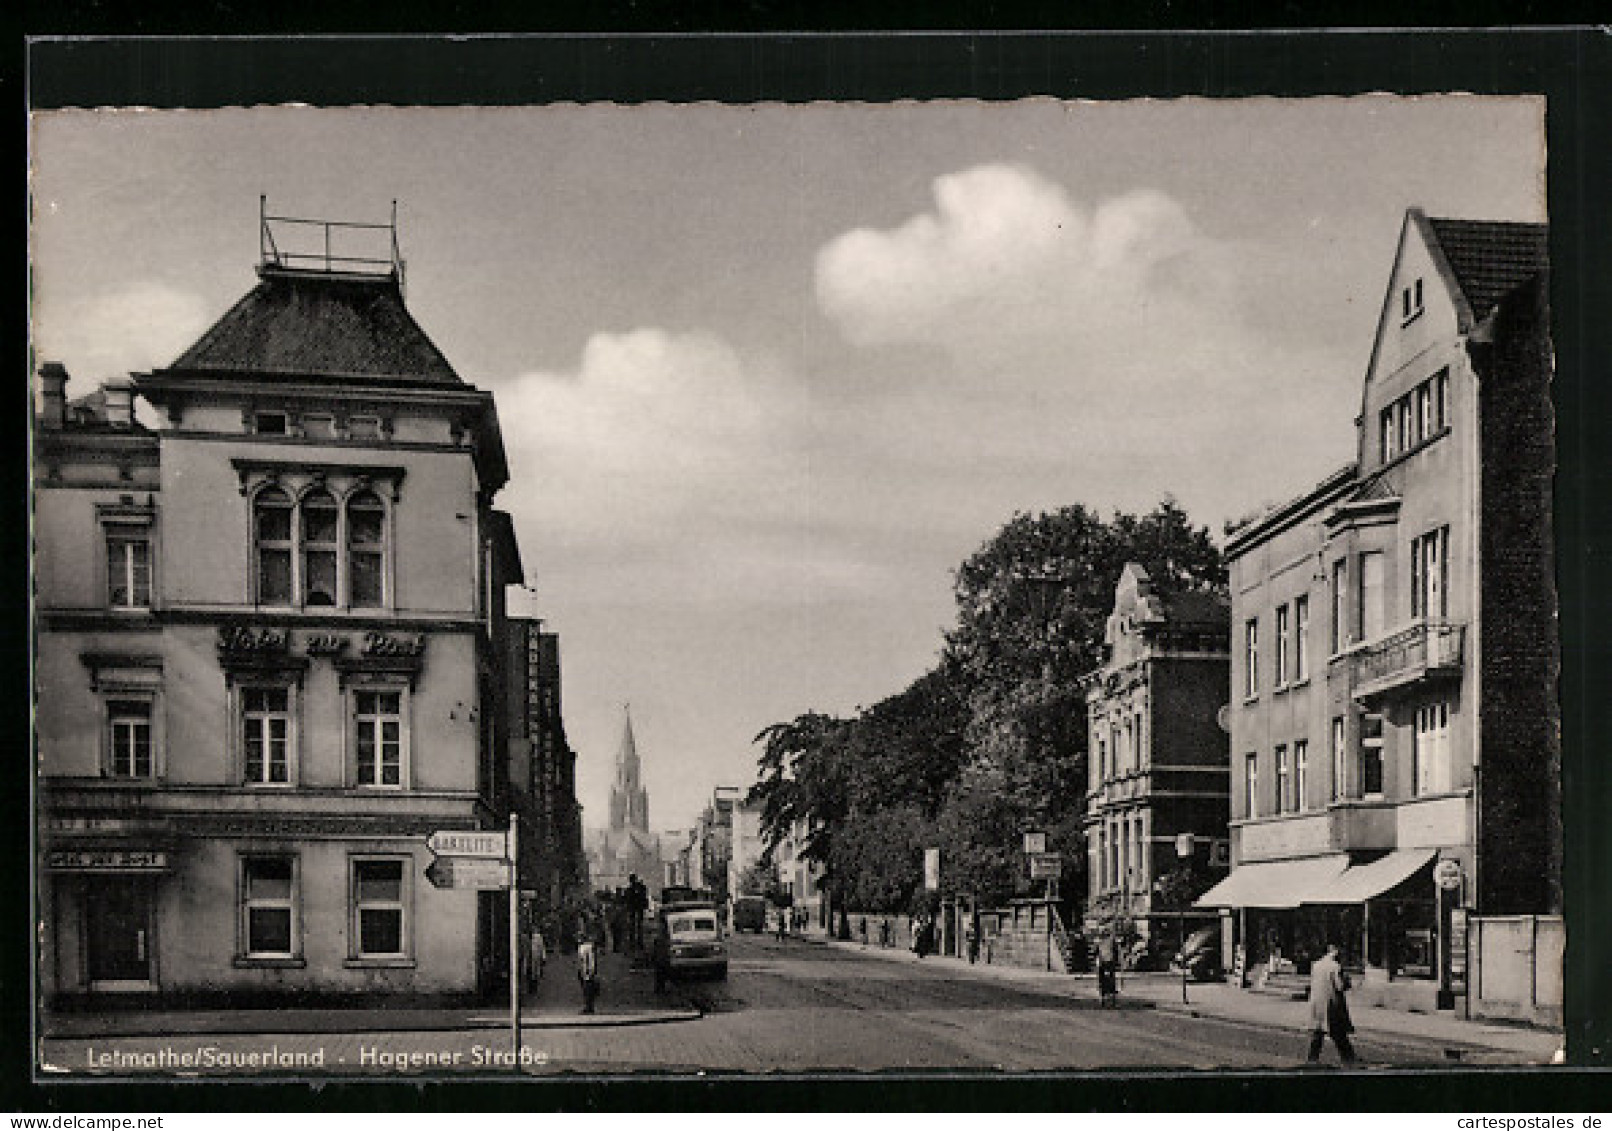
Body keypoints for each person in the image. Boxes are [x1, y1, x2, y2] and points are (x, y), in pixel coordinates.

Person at [1306, 943, 1359, 1065]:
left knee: (1319, 1031)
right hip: (1331, 1002)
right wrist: (1348, 982)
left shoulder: (1316, 965)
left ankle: (1312, 1058)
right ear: (1333, 951)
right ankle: (1349, 1057)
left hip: (1317, 1002)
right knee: (1338, 1032)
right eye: (1338, 951)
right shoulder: (1335, 966)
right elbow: (1339, 986)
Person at [576, 924, 600, 1015]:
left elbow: (591, 959)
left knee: (588, 990)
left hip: (587, 972)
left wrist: (591, 971)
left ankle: (589, 1007)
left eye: (579, 937)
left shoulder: (588, 947)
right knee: (585, 989)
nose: (578, 939)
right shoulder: (581, 947)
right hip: (583, 971)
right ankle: (588, 1006)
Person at [1096, 934, 1119, 1007]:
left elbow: (1115, 952)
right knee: (1105, 981)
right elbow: (1097, 953)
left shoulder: (1110, 941)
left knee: (1108, 981)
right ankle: (1105, 999)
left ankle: (1110, 999)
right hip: (1104, 963)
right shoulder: (1100, 941)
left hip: (1108, 962)